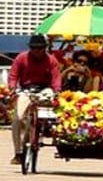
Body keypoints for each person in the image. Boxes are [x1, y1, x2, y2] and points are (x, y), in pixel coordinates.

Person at [7, 34, 62, 164]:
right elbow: (13, 75)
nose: (37, 51)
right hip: (26, 89)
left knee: (49, 101)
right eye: (34, 48)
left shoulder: (51, 60)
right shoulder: (21, 58)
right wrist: (12, 88)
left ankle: (44, 126)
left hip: (44, 89)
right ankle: (18, 152)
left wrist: (57, 90)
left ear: (45, 48)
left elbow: (56, 78)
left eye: (40, 48)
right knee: (18, 119)